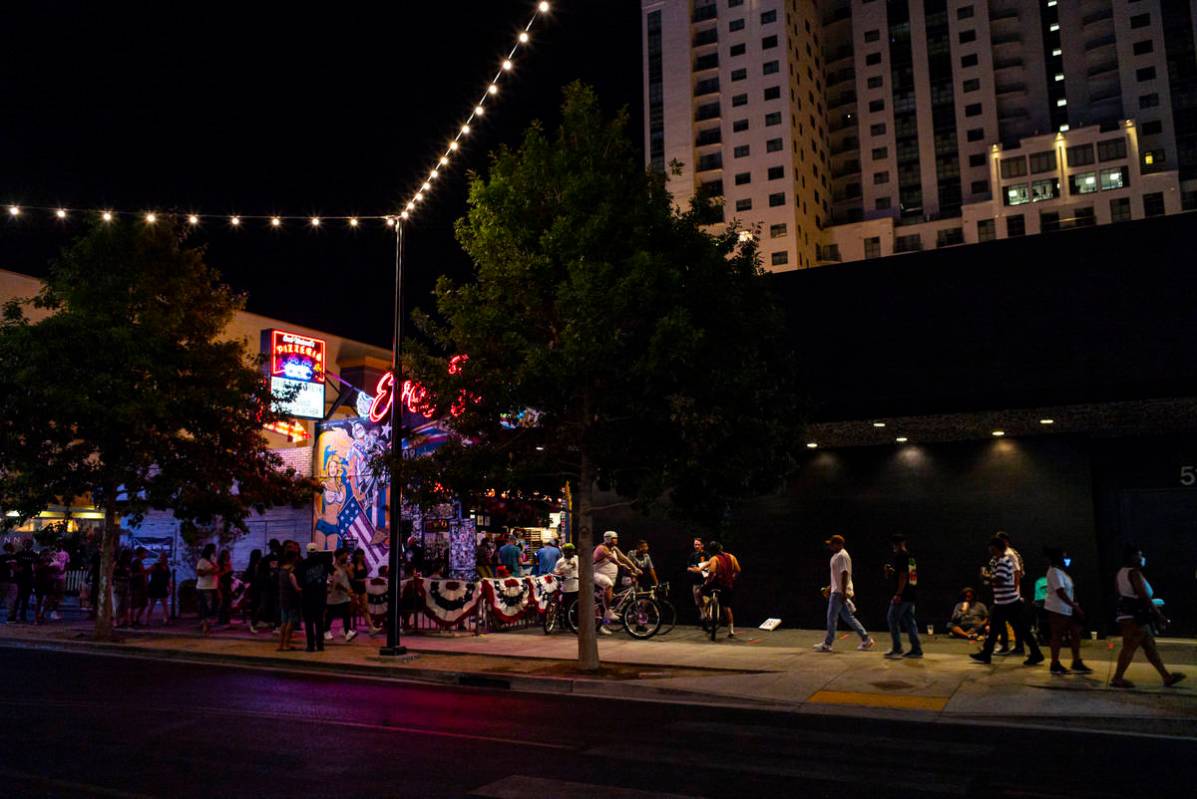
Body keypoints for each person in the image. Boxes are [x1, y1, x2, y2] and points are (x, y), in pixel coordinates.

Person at [1110, 545, 1185, 689]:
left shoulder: (1121, 572)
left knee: (1150, 646)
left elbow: (1120, 592)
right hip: (1135, 616)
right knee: (1129, 647)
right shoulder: (1134, 573)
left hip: (1127, 614)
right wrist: (1159, 615)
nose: (1142, 558)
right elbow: (1143, 596)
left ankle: (1166, 677)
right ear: (1132, 557)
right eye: (1139, 554)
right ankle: (1117, 678)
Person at [970, 537, 1044, 666]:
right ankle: (986, 654)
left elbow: (1000, 579)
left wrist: (986, 576)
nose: (989, 549)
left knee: (1018, 629)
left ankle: (1036, 653)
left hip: (1007, 603)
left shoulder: (1003, 561)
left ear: (995, 548)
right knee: (1003, 629)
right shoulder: (1001, 561)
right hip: (1005, 601)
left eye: (991, 546)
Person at [814, 534, 875, 652]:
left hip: (838, 593)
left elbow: (844, 574)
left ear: (839, 544)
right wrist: (829, 587)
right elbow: (837, 576)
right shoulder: (837, 556)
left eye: (832, 544)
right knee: (848, 617)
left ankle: (827, 644)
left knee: (831, 617)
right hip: (837, 591)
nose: (830, 546)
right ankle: (866, 639)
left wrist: (842, 592)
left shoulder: (842, 556)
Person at [1042, 548, 1092, 676]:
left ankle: (1076, 661)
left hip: (1067, 609)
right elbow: (1060, 592)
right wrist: (1075, 606)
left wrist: (1074, 605)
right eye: (1064, 557)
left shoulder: (1061, 572)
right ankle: (1054, 663)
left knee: (1076, 633)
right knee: (1057, 636)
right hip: (1058, 609)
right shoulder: (1054, 572)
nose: (1066, 559)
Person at [689, 540, 741, 638]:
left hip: (717, 584)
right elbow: (738, 570)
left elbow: (712, 573)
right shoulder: (731, 557)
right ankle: (731, 631)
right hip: (728, 585)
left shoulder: (714, 558)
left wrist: (706, 582)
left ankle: (704, 613)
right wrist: (732, 578)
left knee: (698, 592)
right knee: (726, 607)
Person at [593, 530, 641, 634]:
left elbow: (623, 558)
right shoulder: (601, 548)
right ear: (608, 538)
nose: (616, 540)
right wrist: (624, 566)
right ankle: (608, 612)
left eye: (616, 538)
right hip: (596, 575)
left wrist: (634, 568)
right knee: (608, 585)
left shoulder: (614, 548)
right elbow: (613, 559)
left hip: (609, 578)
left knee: (605, 600)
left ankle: (601, 625)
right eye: (614, 538)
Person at [883, 534, 922, 659]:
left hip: (903, 595)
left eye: (894, 544)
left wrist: (898, 594)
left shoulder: (900, 556)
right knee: (910, 622)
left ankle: (897, 648)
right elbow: (911, 575)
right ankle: (916, 650)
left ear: (896, 544)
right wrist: (892, 573)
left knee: (892, 619)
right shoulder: (910, 557)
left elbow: (903, 576)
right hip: (911, 594)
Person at [299, 544, 331, 651]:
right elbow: (335, 573)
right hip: (320, 596)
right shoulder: (325, 562)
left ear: (307, 553)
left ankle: (310, 646)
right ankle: (320, 645)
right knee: (319, 622)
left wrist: (298, 588)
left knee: (309, 622)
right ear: (317, 552)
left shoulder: (302, 564)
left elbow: (294, 576)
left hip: (307, 596)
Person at [325, 549, 357, 642]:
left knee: (346, 614)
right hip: (334, 596)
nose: (347, 557)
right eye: (345, 555)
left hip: (344, 596)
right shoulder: (333, 568)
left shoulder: (345, 567)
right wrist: (347, 590)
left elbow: (352, 577)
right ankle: (326, 631)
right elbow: (336, 583)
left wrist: (348, 569)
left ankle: (347, 632)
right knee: (330, 615)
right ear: (339, 556)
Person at [251, 539, 281, 634]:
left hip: (269, 586)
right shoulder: (274, 558)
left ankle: (275, 625)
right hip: (271, 586)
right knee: (268, 606)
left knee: (271, 606)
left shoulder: (267, 558)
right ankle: (255, 623)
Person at [276, 548, 302, 652]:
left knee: (283, 622)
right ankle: (286, 644)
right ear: (293, 558)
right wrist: (300, 589)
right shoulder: (292, 570)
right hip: (292, 598)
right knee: (291, 622)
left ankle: (280, 644)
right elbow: (295, 586)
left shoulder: (281, 569)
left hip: (283, 597)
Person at [10, 539, 38, 623]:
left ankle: (22, 616)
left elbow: (36, 565)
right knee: (17, 598)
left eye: (29, 543)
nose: (27, 545)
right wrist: (17, 569)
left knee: (25, 598)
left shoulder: (34, 555)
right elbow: (13, 564)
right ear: (23, 544)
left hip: (29, 578)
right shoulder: (19, 554)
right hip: (19, 579)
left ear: (31, 545)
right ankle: (13, 615)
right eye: (26, 543)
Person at [195, 543, 219, 636]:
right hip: (204, 587)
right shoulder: (202, 561)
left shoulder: (213, 560)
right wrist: (210, 570)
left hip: (213, 585)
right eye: (213, 550)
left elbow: (217, 569)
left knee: (213, 605)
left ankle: (206, 621)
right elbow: (199, 573)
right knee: (205, 606)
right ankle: (205, 623)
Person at [146, 552, 172, 625]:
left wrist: (170, 587)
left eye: (164, 558)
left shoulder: (167, 567)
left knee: (165, 604)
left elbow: (168, 579)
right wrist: (147, 582)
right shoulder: (155, 566)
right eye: (161, 558)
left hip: (162, 587)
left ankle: (166, 619)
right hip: (154, 587)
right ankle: (147, 620)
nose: (163, 560)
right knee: (152, 604)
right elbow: (147, 572)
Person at [552, 543, 579, 608]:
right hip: (566, 589)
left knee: (576, 606)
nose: (572, 552)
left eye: (573, 550)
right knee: (567, 607)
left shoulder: (577, 558)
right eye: (570, 551)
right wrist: (561, 576)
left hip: (577, 587)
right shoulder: (560, 562)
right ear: (565, 552)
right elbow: (555, 573)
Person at [686, 538, 706, 624]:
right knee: (698, 601)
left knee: (705, 600)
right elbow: (688, 567)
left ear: (702, 545)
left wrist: (698, 569)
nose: (696, 546)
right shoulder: (692, 555)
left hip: (704, 582)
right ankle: (703, 615)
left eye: (698, 544)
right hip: (695, 582)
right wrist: (695, 569)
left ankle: (709, 616)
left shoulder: (706, 554)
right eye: (695, 544)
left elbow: (706, 568)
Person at [349, 549, 370, 630]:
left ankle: (371, 627)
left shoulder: (363, 564)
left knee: (365, 608)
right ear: (357, 555)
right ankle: (347, 627)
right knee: (352, 608)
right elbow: (351, 578)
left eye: (363, 554)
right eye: (361, 554)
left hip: (362, 587)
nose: (363, 556)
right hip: (355, 587)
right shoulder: (352, 565)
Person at [366, 564, 389, 635]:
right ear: (386, 573)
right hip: (385, 606)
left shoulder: (369, 582)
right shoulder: (387, 582)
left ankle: (377, 624)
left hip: (371, 606)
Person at [129, 547, 149, 627]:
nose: (146, 555)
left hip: (141, 586)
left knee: (143, 604)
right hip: (136, 586)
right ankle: (131, 622)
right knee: (134, 604)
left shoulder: (139, 562)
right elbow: (132, 574)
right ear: (140, 553)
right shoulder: (136, 562)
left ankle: (136, 619)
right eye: (145, 553)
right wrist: (144, 573)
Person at [112, 548, 132, 628]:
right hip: (118, 583)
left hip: (125, 583)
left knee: (125, 603)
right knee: (118, 603)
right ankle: (116, 621)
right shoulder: (118, 563)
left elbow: (129, 573)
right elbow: (112, 572)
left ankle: (124, 620)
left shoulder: (128, 564)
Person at [0, 543, 17, 622]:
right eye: (8, 548)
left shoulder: (15, 557)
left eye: (10, 548)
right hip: (4, 580)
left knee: (12, 599)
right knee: (4, 598)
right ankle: (10, 617)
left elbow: (18, 568)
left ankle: (10, 617)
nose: (9, 550)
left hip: (13, 580)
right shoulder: (2, 557)